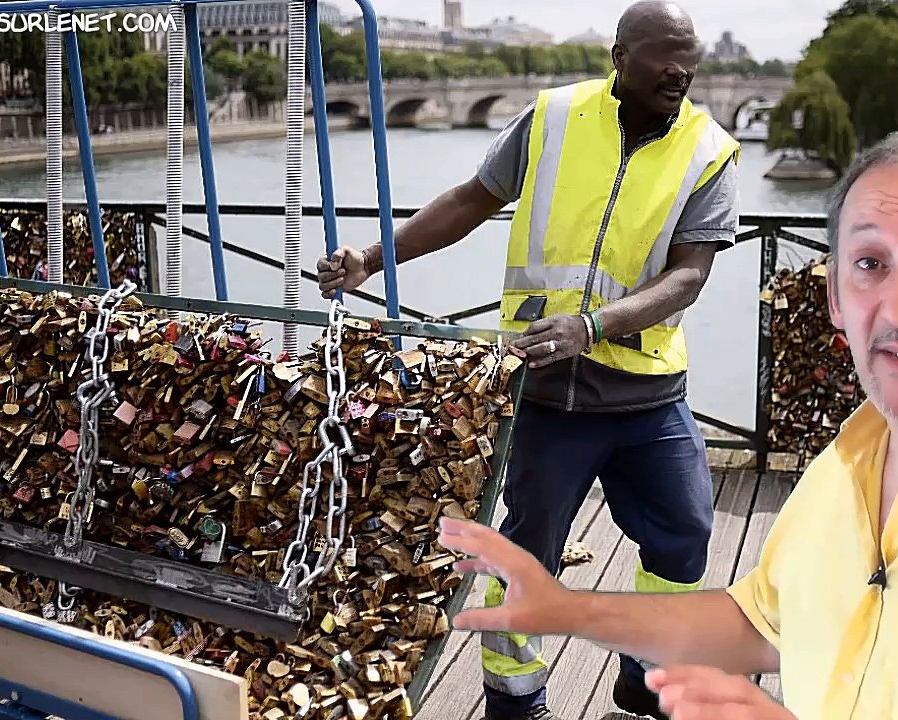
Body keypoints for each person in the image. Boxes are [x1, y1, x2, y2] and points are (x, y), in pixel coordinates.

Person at [435, 131, 898, 720]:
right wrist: (567, 609)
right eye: (870, 264)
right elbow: (760, 626)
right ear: (836, 305)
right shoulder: (844, 465)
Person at [317, 2, 740, 718]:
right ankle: (514, 702)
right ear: (619, 55)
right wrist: (370, 256)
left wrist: (594, 325)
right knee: (526, 554)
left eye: (690, 55)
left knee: (687, 535)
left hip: (648, 394)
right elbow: (468, 201)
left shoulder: (709, 150)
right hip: (546, 393)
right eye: (665, 54)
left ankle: (648, 670)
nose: (681, 69)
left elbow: (689, 277)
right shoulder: (551, 117)